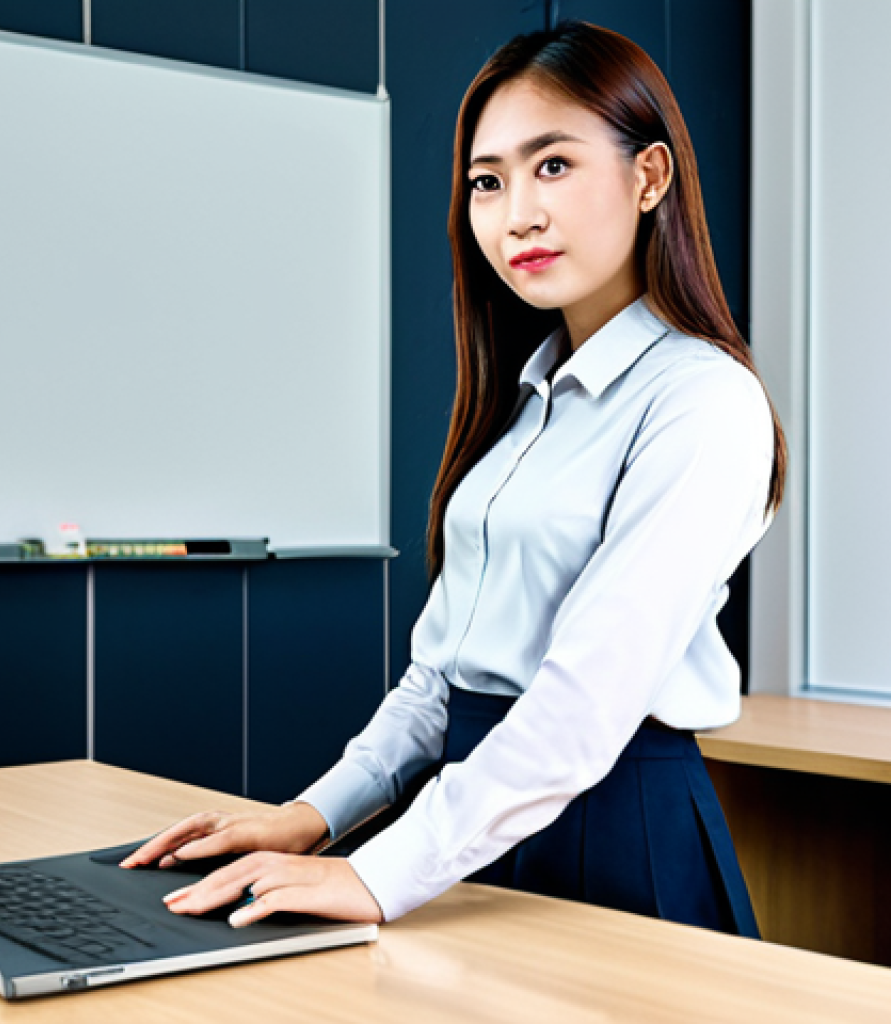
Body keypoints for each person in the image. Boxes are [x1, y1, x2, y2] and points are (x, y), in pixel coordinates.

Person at [121, 22, 786, 937]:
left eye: (552, 165)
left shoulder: (704, 401)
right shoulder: (527, 402)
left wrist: (382, 870)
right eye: (488, 180)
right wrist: (314, 818)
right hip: (474, 829)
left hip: (613, 831)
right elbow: (442, 680)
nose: (517, 213)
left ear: (650, 177)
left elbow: (581, 707)